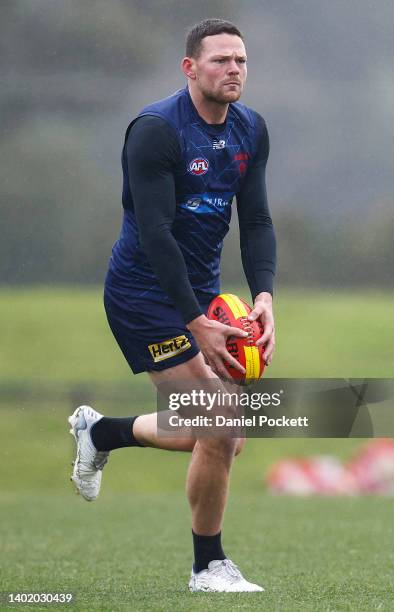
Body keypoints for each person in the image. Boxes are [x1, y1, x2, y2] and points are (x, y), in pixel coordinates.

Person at [68, 18, 276, 593]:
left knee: (223, 434)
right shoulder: (157, 130)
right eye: (220, 61)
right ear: (190, 68)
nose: (233, 70)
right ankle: (207, 566)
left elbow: (256, 221)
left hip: (200, 295)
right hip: (143, 295)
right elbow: (157, 233)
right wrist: (195, 323)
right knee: (217, 421)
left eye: (240, 60)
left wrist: (263, 297)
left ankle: (100, 433)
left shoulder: (250, 130)